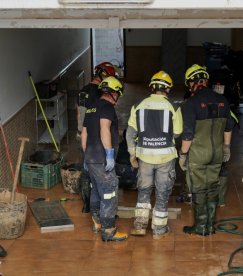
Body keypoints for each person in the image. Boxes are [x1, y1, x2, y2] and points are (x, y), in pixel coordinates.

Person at [179, 64, 236, 236]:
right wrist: (226, 147)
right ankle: (210, 225)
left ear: (191, 83)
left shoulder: (190, 103)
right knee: (212, 186)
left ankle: (200, 226)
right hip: (217, 153)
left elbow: (188, 134)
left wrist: (183, 154)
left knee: (198, 188)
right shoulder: (222, 100)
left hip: (198, 154)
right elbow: (229, 126)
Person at [126, 71, 183, 239]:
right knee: (163, 192)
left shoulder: (138, 105)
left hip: (144, 158)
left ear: (151, 87)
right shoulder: (174, 107)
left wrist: (132, 154)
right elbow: (178, 133)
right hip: (165, 158)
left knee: (144, 190)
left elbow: (130, 134)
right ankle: (159, 229)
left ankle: (140, 225)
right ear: (168, 89)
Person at [81, 76, 128, 242]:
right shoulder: (107, 107)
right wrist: (109, 153)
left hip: (91, 157)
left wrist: (86, 156)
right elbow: (104, 129)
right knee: (108, 192)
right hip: (102, 158)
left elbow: (84, 133)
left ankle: (97, 224)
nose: (118, 99)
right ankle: (109, 230)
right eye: (118, 95)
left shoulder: (91, 107)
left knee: (96, 190)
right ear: (114, 93)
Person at [76, 62, 116, 213]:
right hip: (95, 137)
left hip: (82, 134)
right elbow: (101, 121)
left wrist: (80, 133)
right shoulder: (101, 94)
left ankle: (87, 206)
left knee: (87, 171)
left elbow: (79, 114)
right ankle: (100, 209)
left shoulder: (82, 91)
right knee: (100, 175)